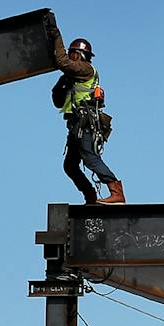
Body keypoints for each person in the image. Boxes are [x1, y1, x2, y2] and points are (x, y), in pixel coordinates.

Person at [52, 32, 125, 205]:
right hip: (76, 125)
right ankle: (90, 197)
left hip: (85, 124)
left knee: (90, 158)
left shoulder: (85, 69)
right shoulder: (71, 78)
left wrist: (56, 36)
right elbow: (57, 101)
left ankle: (116, 191)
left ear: (80, 55)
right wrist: (61, 85)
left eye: (73, 54)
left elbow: (62, 63)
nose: (70, 58)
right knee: (70, 165)